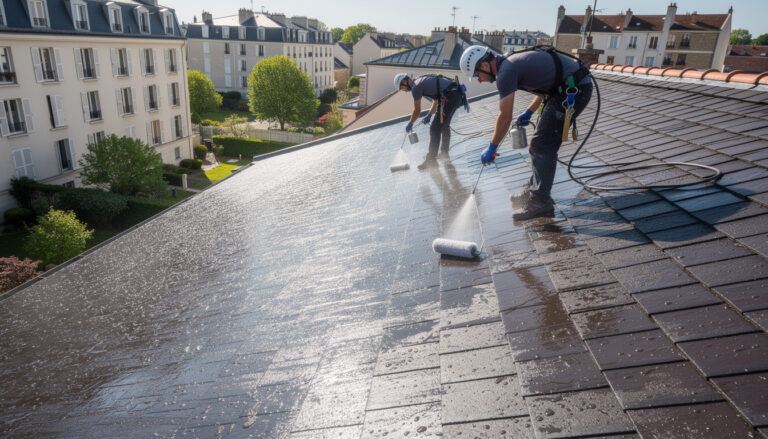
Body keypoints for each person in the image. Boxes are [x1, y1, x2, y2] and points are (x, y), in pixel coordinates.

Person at [459, 45, 593, 220]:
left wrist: (492, 147)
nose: (479, 80)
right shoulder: (509, 62)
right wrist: (530, 111)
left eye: (477, 75)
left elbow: (505, 116)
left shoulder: (506, 72)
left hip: (575, 89)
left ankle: (540, 201)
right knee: (540, 141)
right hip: (566, 88)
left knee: (541, 144)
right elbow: (546, 82)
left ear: (484, 66)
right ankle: (534, 190)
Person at [394, 73, 465, 170]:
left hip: (450, 96)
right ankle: (444, 153)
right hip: (455, 94)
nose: (404, 90)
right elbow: (435, 101)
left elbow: (417, 110)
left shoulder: (416, 87)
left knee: (435, 128)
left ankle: (431, 161)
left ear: (404, 82)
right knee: (444, 125)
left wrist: (410, 123)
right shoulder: (420, 80)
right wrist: (429, 115)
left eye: (402, 88)